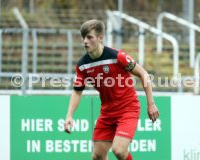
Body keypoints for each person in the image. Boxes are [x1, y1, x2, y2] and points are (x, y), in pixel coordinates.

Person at [64, 19, 159, 160]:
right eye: (83, 37)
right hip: (107, 113)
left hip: (128, 109)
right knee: (97, 156)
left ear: (100, 38)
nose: (85, 41)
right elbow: (77, 91)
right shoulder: (83, 66)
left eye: (89, 37)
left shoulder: (117, 57)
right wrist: (69, 115)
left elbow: (143, 73)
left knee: (119, 151)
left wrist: (150, 103)